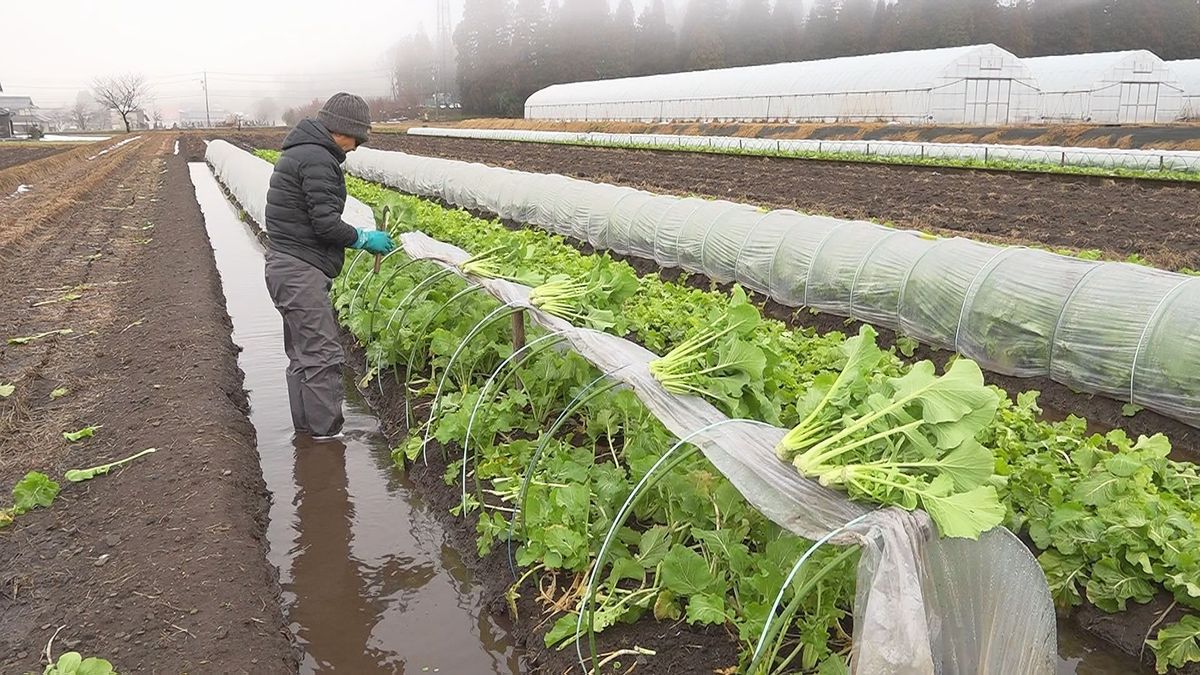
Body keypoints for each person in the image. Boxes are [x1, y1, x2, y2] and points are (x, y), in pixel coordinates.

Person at [263, 92, 394, 439]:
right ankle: (327, 440)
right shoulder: (318, 158)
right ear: (341, 130)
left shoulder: (302, 151)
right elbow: (325, 223)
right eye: (357, 138)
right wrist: (364, 239)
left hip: (285, 265)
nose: (355, 147)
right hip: (299, 270)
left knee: (303, 356)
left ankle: (308, 436)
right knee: (322, 356)